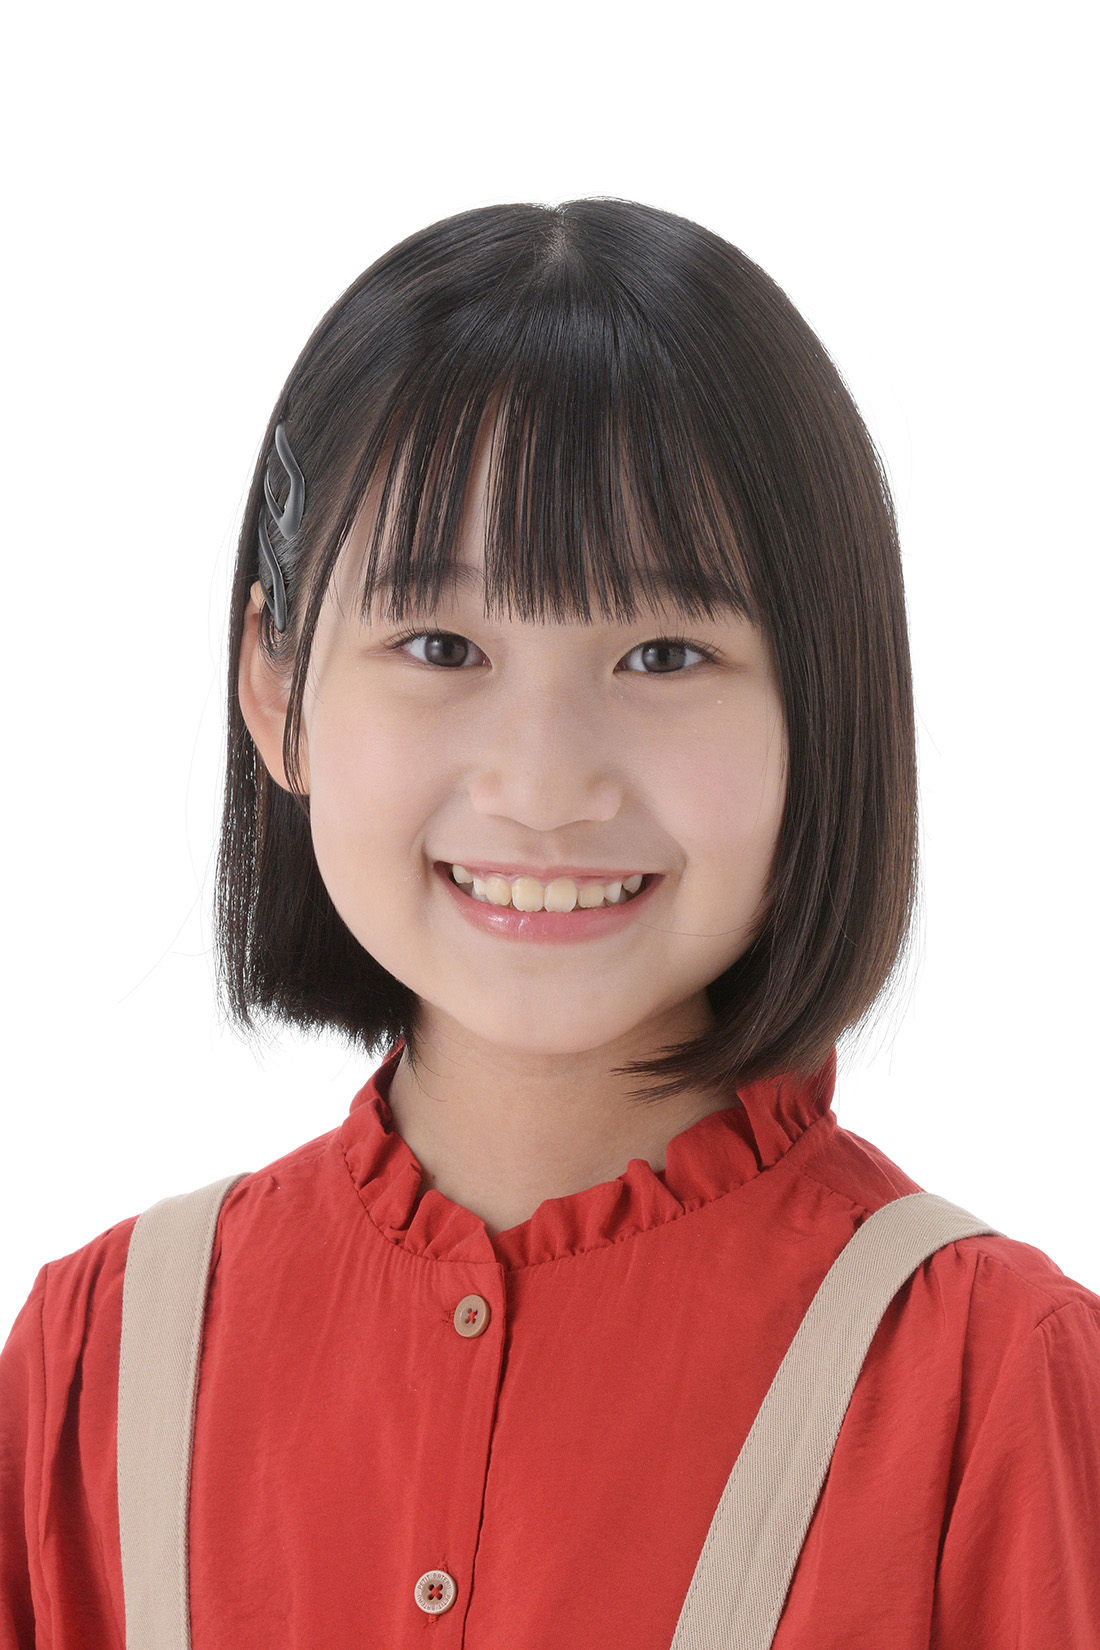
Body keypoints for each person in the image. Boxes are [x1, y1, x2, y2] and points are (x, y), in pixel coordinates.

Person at [1, 198, 1097, 1649]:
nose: (543, 785)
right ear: (277, 691)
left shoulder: (994, 1380)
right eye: (439, 644)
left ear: (825, 707)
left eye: (665, 652)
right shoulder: (97, 1361)